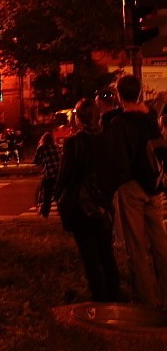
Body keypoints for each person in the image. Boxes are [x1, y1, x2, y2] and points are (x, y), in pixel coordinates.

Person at [108, 74, 167, 307]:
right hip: (154, 186)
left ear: (120, 96)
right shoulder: (150, 118)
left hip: (132, 187)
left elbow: (117, 162)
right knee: (160, 241)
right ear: (140, 92)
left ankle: (146, 299)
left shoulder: (118, 124)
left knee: (137, 245)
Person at [55, 98, 122, 302]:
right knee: (106, 253)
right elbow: (114, 172)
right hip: (102, 204)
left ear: (77, 119)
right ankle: (114, 295)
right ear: (98, 116)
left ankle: (99, 297)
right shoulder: (107, 141)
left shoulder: (74, 143)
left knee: (89, 255)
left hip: (81, 206)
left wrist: (59, 198)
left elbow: (64, 176)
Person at [33, 131, 60, 218]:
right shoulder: (57, 147)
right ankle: (61, 212)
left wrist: (42, 162)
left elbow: (36, 160)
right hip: (59, 174)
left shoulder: (42, 148)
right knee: (59, 195)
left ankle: (45, 214)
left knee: (47, 195)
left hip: (49, 174)